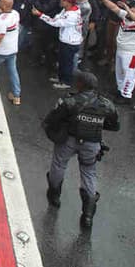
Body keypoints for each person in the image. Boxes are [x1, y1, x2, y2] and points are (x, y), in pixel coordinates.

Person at [42, 71, 119, 229]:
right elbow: (115, 125)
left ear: (80, 85)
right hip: (92, 144)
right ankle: (88, 216)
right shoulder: (106, 105)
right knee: (89, 173)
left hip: (69, 140)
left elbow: (52, 119)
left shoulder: (70, 102)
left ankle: (54, 197)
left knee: (59, 165)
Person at [96, 0, 135, 104]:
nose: (130, 12)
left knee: (129, 73)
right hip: (121, 50)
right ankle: (120, 90)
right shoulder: (125, 16)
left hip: (133, 53)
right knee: (119, 72)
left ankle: (126, 95)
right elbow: (114, 8)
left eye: (134, 11)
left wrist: (128, 9)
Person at [33, 0, 83, 89]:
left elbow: (55, 22)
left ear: (69, 3)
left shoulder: (71, 15)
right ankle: (60, 77)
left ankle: (66, 82)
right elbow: (56, 17)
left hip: (70, 43)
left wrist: (40, 15)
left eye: (64, 0)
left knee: (67, 63)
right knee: (61, 60)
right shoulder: (66, 10)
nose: (61, 1)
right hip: (65, 40)